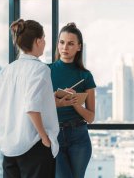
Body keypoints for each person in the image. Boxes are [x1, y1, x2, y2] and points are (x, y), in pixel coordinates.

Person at [0, 19, 59, 178]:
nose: (44, 42)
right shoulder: (40, 69)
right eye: (43, 38)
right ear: (37, 41)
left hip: (9, 149)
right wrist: (44, 137)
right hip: (35, 146)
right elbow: (31, 107)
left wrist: (8, 128)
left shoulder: (6, 70)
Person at [48, 22, 96, 178]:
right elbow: (37, 105)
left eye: (70, 43)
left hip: (79, 137)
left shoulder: (86, 76)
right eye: (62, 42)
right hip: (54, 135)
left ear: (79, 47)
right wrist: (56, 96)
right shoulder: (45, 71)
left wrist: (76, 103)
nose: (65, 47)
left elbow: (90, 117)